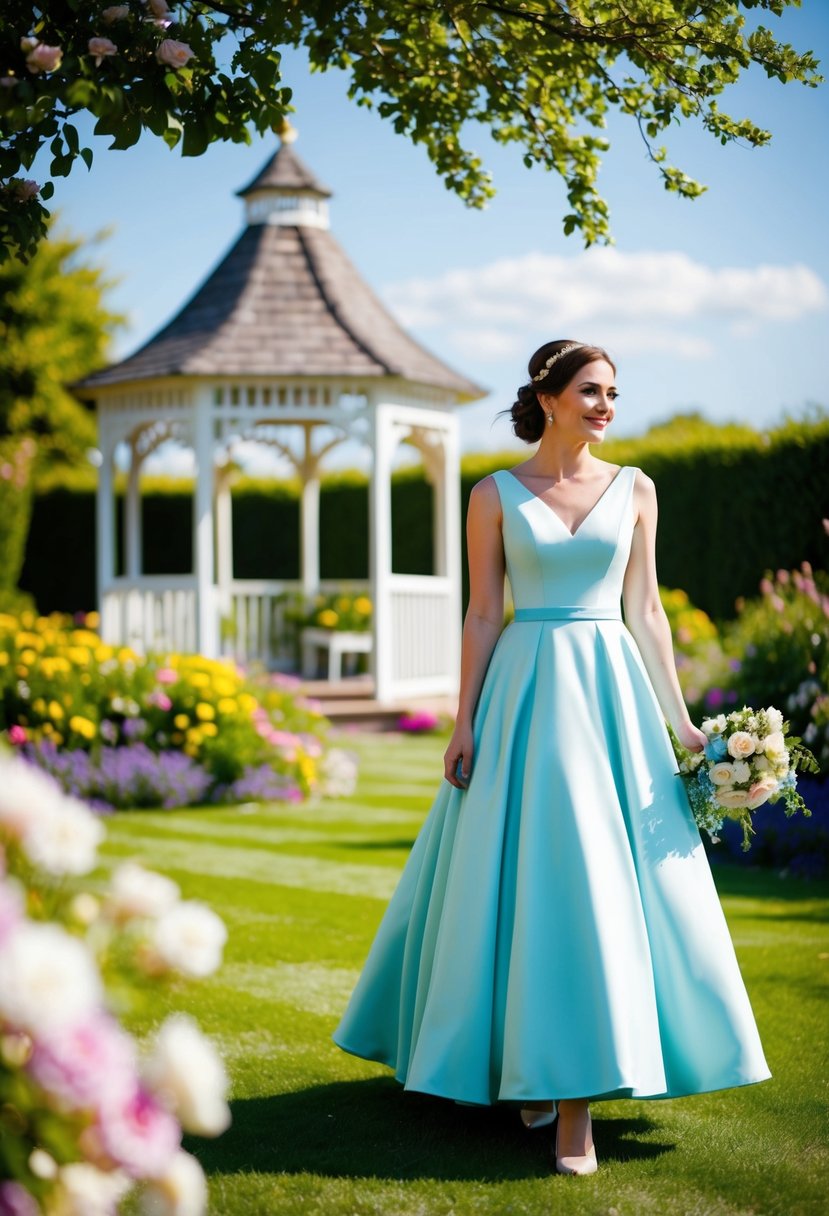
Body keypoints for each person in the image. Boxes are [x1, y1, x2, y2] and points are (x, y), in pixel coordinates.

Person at [332, 339, 771, 1176]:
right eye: (590, 391)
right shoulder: (492, 494)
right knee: (530, 884)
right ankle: (533, 1076)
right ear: (548, 395)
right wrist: (463, 722)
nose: (605, 405)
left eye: (613, 392)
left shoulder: (637, 489)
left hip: (612, 704)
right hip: (524, 701)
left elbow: (645, 614)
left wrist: (680, 724)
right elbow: (482, 615)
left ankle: (574, 1110)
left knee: (597, 886)